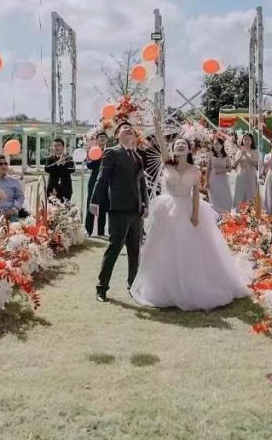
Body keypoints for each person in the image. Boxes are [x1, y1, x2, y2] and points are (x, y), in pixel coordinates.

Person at [130, 137, 249, 310]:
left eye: (183, 144)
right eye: (177, 144)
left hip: (187, 208)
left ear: (189, 150)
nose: (180, 145)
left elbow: (195, 194)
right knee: (165, 247)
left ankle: (192, 284)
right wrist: (157, 128)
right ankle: (165, 285)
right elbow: (163, 150)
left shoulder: (195, 170)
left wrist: (195, 214)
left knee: (188, 246)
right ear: (174, 149)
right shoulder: (168, 165)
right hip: (167, 209)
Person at [91, 122, 148, 302]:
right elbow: (102, 178)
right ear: (117, 135)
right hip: (119, 209)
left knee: (135, 251)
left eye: (130, 128)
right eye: (124, 128)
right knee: (114, 249)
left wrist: (145, 204)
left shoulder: (137, 156)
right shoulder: (112, 152)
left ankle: (133, 285)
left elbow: (142, 184)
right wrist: (94, 201)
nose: (128, 130)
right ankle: (102, 288)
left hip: (136, 211)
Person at [84, 132, 109, 236]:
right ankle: (88, 231)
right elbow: (89, 165)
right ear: (97, 140)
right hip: (94, 182)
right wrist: (98, 156)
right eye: (100, 137)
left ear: (107, 139)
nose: (102, 139)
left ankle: (101, 232)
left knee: (103, 207)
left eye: (104, 137)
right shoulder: (93, 151)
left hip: (106, 183)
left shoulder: (111, 151)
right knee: (91, 205)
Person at [205, 136, 233, 215]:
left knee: (224, 198)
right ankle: (215, 216)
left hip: (223, 180)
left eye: (218, 144)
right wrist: (206, 181)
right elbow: (208, 169)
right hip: (212, 180)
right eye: (215, 144)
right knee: (214, 199)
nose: (216, 146)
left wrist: (221, 170)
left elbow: (230, 168)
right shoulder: (211, 155)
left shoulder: (226, 156)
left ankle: (225, 216)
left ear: (222, 146)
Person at [232, 133, 260, 208]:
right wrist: (241, 154)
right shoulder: (239, 151)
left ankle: (250, 212)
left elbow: (256, 164)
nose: (246, 141)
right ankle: (239, 213)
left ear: (251, 141)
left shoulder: (255, 151)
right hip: (240, 175)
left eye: (248, 139)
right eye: (245, 139)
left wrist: (246, 155)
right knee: (240, 195)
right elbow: (234, 165)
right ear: (242, 141)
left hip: (250, 176)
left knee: (250, 194)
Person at [44, 138, 75, 203]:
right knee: (52, 210)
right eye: (55, 146)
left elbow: (72, 170)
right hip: (53, 189)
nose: (56, 147)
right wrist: (57, 163)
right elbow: (47, 169)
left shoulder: (69, 158)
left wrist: (64, 165)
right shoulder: (50, 159)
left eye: (58, 145)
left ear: (63, 147)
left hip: (66, 189)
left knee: (65, 210)